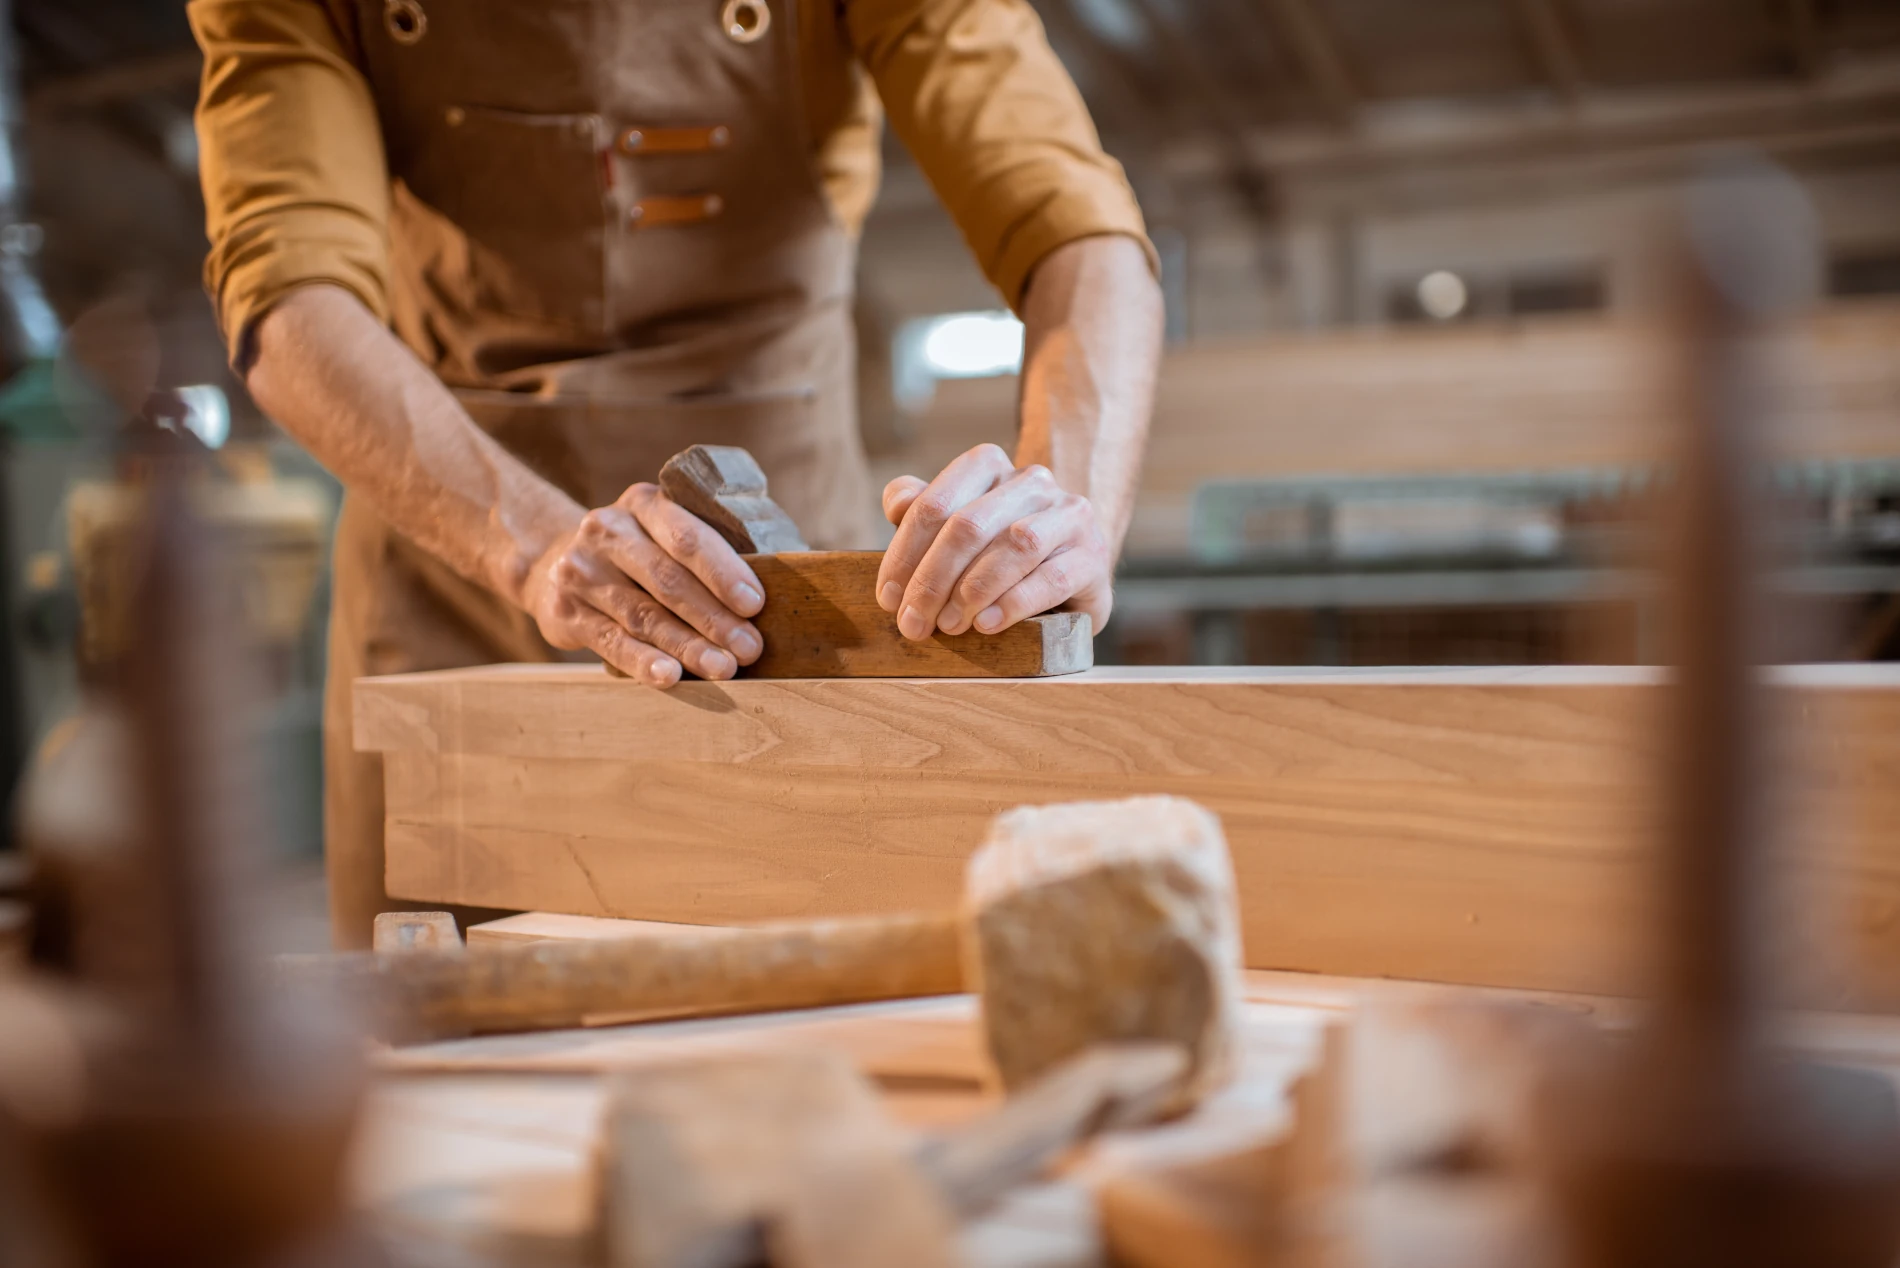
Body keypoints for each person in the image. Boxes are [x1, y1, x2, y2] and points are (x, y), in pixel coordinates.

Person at [189, 0, 1164, 947]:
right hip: (453, 554)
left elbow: (1071, 222)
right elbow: (288, 293)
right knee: (432, 1057)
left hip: (791, 605)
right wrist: (530, 547)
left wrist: (1061, 515)